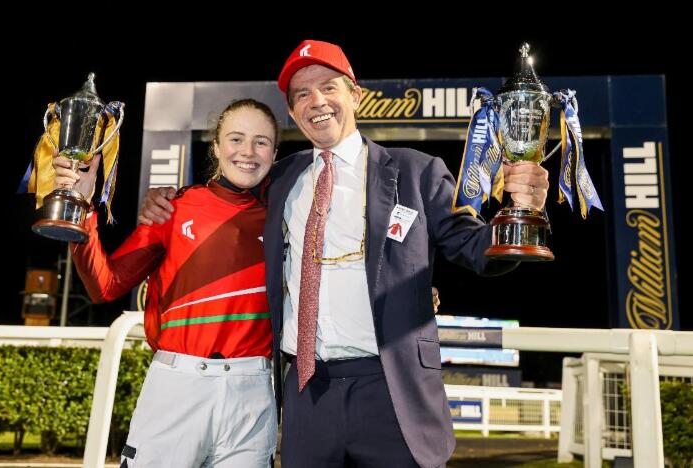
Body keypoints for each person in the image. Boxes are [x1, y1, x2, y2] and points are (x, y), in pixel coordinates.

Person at [139, 40, 549, 468]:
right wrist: (168, 199)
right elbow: (224, 197)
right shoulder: (280, 179)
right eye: (301, 94)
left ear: (355, 95)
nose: (316, 101)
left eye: (329, 87)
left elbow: (474, 249)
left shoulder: (416, 170)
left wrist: (519, 214)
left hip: (393, 391)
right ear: (294, 113)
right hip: (307, 392)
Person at [55, 99, 280, 467]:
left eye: (261, 141)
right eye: (236, 139)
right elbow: (105, 286)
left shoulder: (286, 218)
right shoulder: (174, 208)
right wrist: (81, 204)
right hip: (176, 387)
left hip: (252, 394)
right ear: (216, 146)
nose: (248, 152)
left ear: (274, 151)